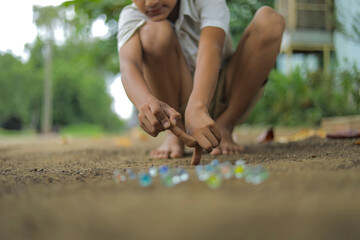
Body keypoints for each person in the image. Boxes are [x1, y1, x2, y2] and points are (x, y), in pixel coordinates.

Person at [117, 0, 285, 165]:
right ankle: (176, 134)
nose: (150, 3)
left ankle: (225, 125)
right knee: (153, 30)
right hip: (177, 107)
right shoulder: (132, 15)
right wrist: (146, 102)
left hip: (226, 94)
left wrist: (198, 106)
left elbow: (212, 45)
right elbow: (128, 65)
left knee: (269, 20)